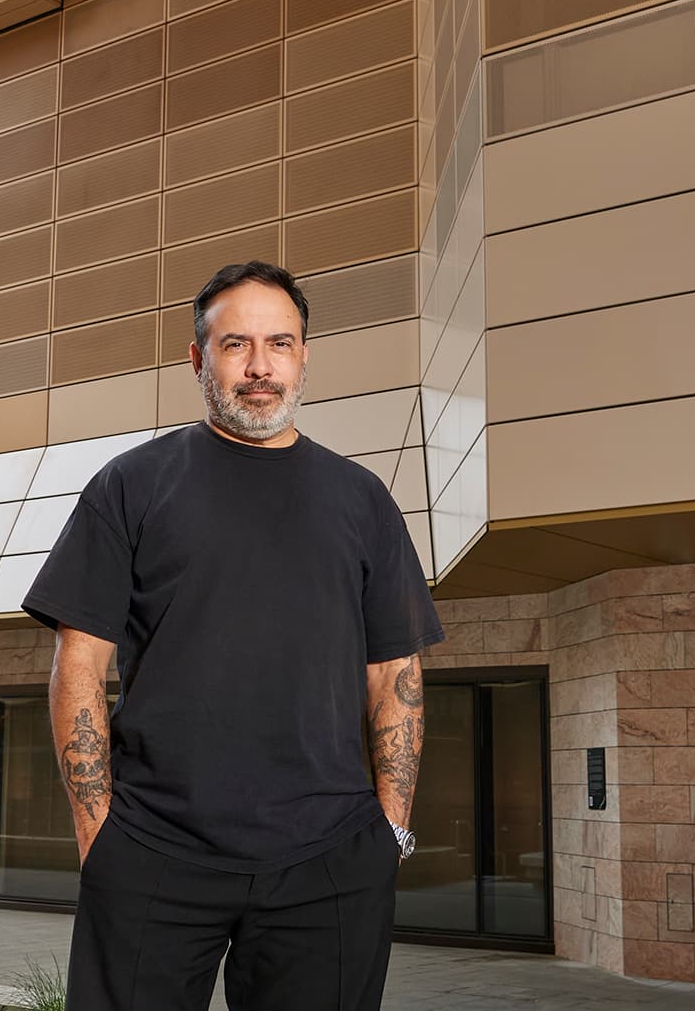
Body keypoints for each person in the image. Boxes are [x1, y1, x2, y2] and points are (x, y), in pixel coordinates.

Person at [22, 259, 443, 1010]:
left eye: (280, 344)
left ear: (304, 355)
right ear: (197, 359)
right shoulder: (132, 484)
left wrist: (390, 833)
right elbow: (78, 664)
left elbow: (395, 673)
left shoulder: (363, 501)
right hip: (155, 850)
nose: (259, 368)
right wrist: (100, 835)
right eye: (235, 345)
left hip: (331, 861)